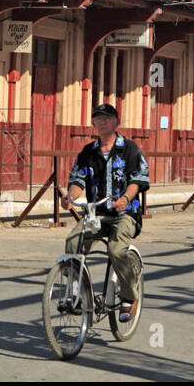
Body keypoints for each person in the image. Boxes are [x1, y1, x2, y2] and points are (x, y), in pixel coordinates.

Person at [59, 103, 150, 323]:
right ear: (93, 124)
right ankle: (76, 294)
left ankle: (129, 297)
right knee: (72, 243)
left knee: (116, 248)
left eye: (106, 118)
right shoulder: (87, 152)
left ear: (116, 122)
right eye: (97, 119)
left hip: (125, 214)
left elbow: (138, 179)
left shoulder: (129, 149)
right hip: (96, 215)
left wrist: (125, 199)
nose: (101, 122)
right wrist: (70, 198)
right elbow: (77, 180)